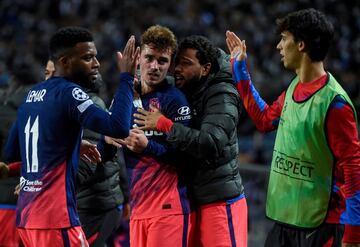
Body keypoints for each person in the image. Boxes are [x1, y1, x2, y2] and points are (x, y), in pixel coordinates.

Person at [225, 8, 360, 247]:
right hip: (285, 220)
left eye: (284, 38)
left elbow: (353, 169)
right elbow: (265, 119)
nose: (278, 46)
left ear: (301, 45)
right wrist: (239, 69)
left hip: (320, 226)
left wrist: (354, 234)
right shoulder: (294, 87)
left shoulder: (335, 103)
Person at [3, 26, 138, 247]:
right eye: (88, 58)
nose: (96, 64)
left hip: (27, 218)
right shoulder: (69, 92)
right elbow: (119, 127)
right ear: (65, 62)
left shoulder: (30, 96)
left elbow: (13, 152)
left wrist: (71, 144)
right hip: (56, 220)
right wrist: (126, 77)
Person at [134, 35, 248, 247]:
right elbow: (166, 82)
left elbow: (211, 143)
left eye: (186, 64)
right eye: (177, 62)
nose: (177, 69)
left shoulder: (222, 94)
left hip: (220, 202)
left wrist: (164, 124)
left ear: (205, 68)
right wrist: (140, 84)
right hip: (193, 201)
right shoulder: (189, 87)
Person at [108, 25, 193, 247]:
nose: (155, 66)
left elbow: (188, 156)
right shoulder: (124, 98)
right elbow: (105, 148)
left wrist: (148, 146)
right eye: (149, 57)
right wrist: (107, 139)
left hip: (169, 209)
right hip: (138, 209)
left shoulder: (175, 101)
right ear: (138, 57)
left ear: (170, 64)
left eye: (162, 61)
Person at [76, 73, 131, 247]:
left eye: (52, 72)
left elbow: (89, 162)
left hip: (95, 205)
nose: (49, 77)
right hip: (94, 202)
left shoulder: (89, 108)